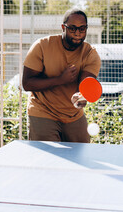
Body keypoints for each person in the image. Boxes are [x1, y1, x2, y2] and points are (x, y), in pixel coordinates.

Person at [22, 8, 101, 143]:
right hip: (43, 110)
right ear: (63, 27)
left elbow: (85, 84)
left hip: (73, 114)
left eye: (82, 29)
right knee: (47, 159)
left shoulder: (90, 54)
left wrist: (80, 97)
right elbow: (27, 83)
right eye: (72, 29)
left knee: (82, 156)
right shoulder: (42, 46)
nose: (77, 33)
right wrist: (60, 80)